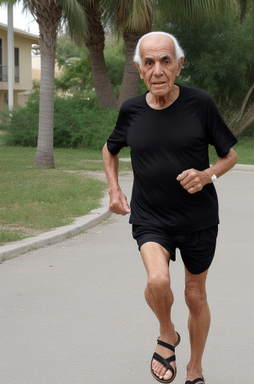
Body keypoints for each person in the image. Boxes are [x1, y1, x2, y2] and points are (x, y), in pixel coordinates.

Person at [102, 31, 238, 384]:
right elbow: (110, 149)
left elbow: (230, 155)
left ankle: (195, 367)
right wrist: (114, 189)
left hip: (198, 218)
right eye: (149, 62)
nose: (158, 69)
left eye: (165, 61)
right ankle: (167, 333)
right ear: (139, 68)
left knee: (195, 297)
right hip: (151, 217)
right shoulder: (131, 110)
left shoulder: (200, 103)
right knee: (158, 280)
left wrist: (207, 175)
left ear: (179, 65)